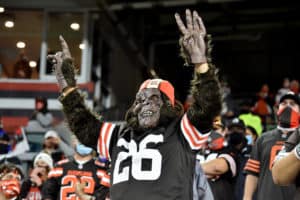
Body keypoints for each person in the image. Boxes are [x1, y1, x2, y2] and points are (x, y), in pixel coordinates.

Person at [48, 9, 222, 199]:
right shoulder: (119, 134)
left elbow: (207, 104)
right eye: (140, 100)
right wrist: (68, 90)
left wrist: (201, 64)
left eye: (154, 99)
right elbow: (84, 126)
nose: (145, 105)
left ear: (169, 106)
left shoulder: (181, 131)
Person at [243, 92, 299, 200]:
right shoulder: (263, 138)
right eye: (284, 103)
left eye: (292, 104)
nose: (288, 106)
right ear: (277, 109)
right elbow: (252, 173)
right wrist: (247, 198)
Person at [42, 135, 110, 200]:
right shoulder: (59, 167)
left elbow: (103, 196)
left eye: (87, 141)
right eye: (80, 140)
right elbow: (48, 193)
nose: (84, 143)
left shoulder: (102, 171)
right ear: (73, 141)